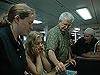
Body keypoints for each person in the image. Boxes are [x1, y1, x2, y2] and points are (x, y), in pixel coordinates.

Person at [0, 3, 35, 75]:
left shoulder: (18, 41)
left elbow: (19, 68)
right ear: (17, 19)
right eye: (29, 23)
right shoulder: (1, 38)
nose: (31, 27)